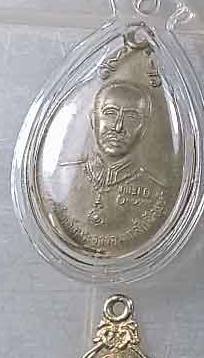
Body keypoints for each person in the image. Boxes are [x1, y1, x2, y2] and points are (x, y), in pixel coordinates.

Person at [54, 80, 167, 248]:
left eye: (131, 117)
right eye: (110, 113)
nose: (118, 127)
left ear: (143, 128)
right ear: (93, 120)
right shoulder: (62, 176)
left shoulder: (156, 191)